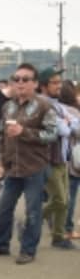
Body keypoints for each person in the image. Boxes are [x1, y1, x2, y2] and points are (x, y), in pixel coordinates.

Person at [0, 63, 58, 265]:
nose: (20, 83)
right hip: (12, 166)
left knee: (33, 212)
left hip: (34, 167)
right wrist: (0, 161)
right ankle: (1, 245)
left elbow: (52, 135)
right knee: (4, 209)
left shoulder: (44, 106)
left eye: (25, 79)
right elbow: (3, 136)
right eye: (17, 79)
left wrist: (25, 132)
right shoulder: (8, 106)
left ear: (35, 83)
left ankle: (28, 250)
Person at [39, 68, 78, 249]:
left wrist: (68, 124)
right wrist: (68, 124)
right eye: (54, 82)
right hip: (48, 158)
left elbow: (75, 126)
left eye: (59, 82)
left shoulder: (58, 105)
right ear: (44, 85)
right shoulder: (42, 104)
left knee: (65, 201)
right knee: (60, 199)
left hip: (62, 157)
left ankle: (59, 236)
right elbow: (62, 130)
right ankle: (33, 219)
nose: (59, 86)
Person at [60, 80, 80, 239]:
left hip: (57, 158)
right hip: (73, 159)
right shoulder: (73, 111)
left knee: (59, 194)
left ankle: (59, 224)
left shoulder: (53, 109)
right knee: (70, 193)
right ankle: (67, 227)